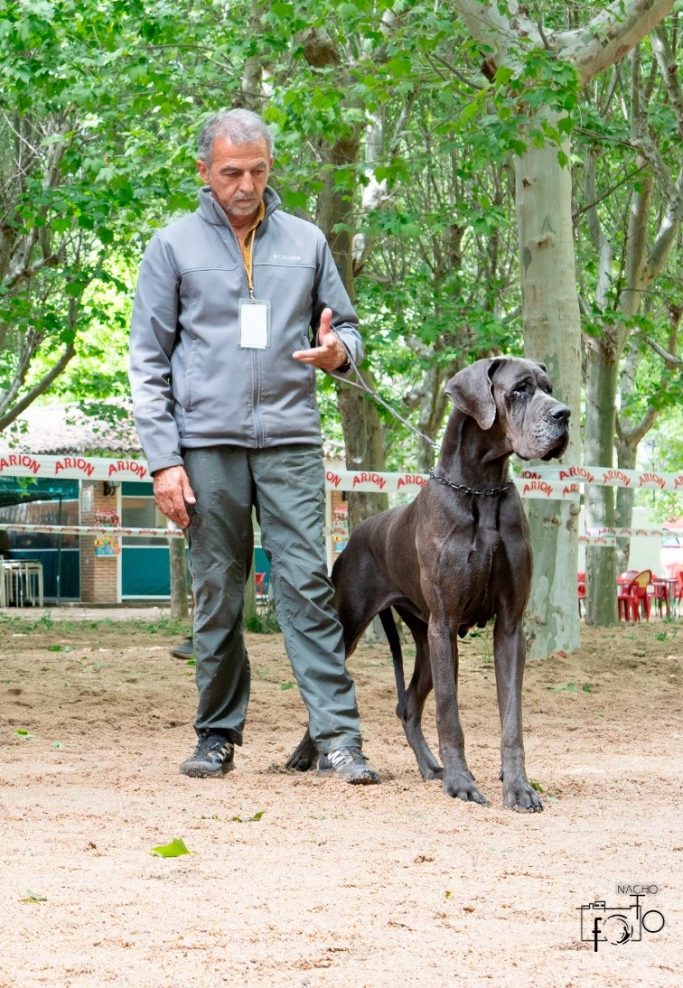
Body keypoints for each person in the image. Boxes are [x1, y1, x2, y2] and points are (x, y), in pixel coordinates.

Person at [129, 108, 379, 785]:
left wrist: (337, 353)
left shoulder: (306, 240)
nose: (246, 185)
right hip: (204, 445)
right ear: (204, 171)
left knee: (305, 586)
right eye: (232, 172)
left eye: (258, 171)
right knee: (218, 590)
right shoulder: (171, 246)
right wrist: (163, 461)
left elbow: (347, 329)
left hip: (291, 439)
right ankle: (215, 735)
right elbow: (147, 363)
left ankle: (337, 738)